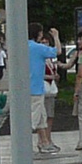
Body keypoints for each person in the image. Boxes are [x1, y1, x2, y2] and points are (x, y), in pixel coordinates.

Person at [26, 23, 60, 154]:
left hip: (26, 87)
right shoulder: (37, 48)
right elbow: (57, 51)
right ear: (38, 34)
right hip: (35, 87)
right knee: (33, 118)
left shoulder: (22, 46)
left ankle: (44, 143)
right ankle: (23, 146)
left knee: (41, 117)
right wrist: (56, 36)